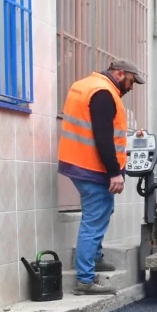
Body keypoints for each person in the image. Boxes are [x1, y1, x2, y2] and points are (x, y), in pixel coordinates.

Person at [58, 60, 145, 295]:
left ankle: (94, 258)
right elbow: (103, 137)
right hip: (91, 167)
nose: (132, 87)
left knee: (102, 211)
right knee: (93, 220)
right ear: (119, 73)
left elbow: (95, 128)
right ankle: (85, 279)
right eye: (131, 81)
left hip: (78, 162)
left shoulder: (86, 85)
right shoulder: (104, 93)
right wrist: (114, 172)